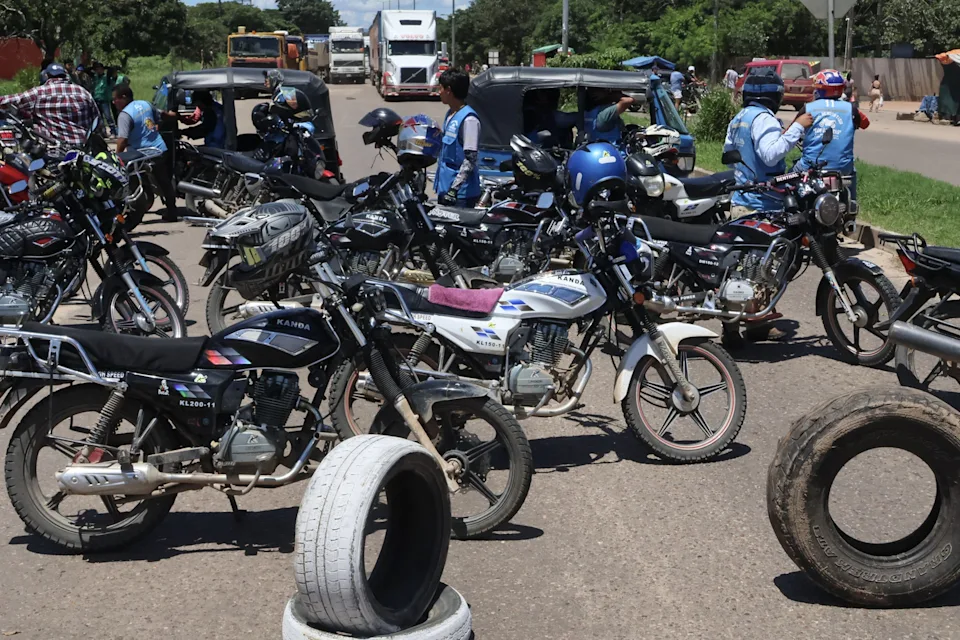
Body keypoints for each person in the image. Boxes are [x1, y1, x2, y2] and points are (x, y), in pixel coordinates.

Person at [722, 67, 813, 345]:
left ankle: (755, 323)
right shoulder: (763, 118)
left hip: (742, 200)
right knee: (759, 270)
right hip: (762, 204)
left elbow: (728, 152)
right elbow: (771, 155)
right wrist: (798, 126)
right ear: (774, 96)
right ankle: (738, 328)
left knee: (747, 269)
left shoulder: (740, 118)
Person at [793, 69, 870, 200]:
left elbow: (791, 131)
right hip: (843, 168)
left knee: (790, 178)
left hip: (810, 166)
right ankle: (851, 204)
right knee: (851, 174)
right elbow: (865, 123)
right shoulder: (851, 108)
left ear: (819, 89)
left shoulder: (808, 108)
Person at [112, 85, 181, 222]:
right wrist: (175, 116)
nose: (113, 102)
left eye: (115, 99)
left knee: (133, 183)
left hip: (141, 155)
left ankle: (134, 214)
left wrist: (116, 157)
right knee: (165, 182)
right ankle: (172, 211)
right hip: (159, 150)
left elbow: (122, 140)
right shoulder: (146, 104)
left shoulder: (125, 115)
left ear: (124, 97)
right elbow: (162, 115)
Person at [0, 63, 98, 147]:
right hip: (81, 148)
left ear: (46, 75)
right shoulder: (83, 92)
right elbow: (97, 122)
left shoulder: (39, 93)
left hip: (52, 150)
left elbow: (11, 100)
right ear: (65, 75)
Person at [435, 69, 481, 207]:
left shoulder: (469, 120)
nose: (439, 92)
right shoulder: (451, 114)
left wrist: (454, 190)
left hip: (460, 195)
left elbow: (470, 159)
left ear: (449, 90)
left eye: (440, 88)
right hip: (445, 188)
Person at [91, 62, 117, 136]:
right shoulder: (95, 78)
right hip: (96, 99)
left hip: (104, 100)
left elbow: (113, 79)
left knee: (108, 116)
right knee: (99, 117)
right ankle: (102, 132)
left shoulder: (107, 78)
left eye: (99, 69)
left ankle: (113, 131)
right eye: (96, 69)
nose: (98, 71)